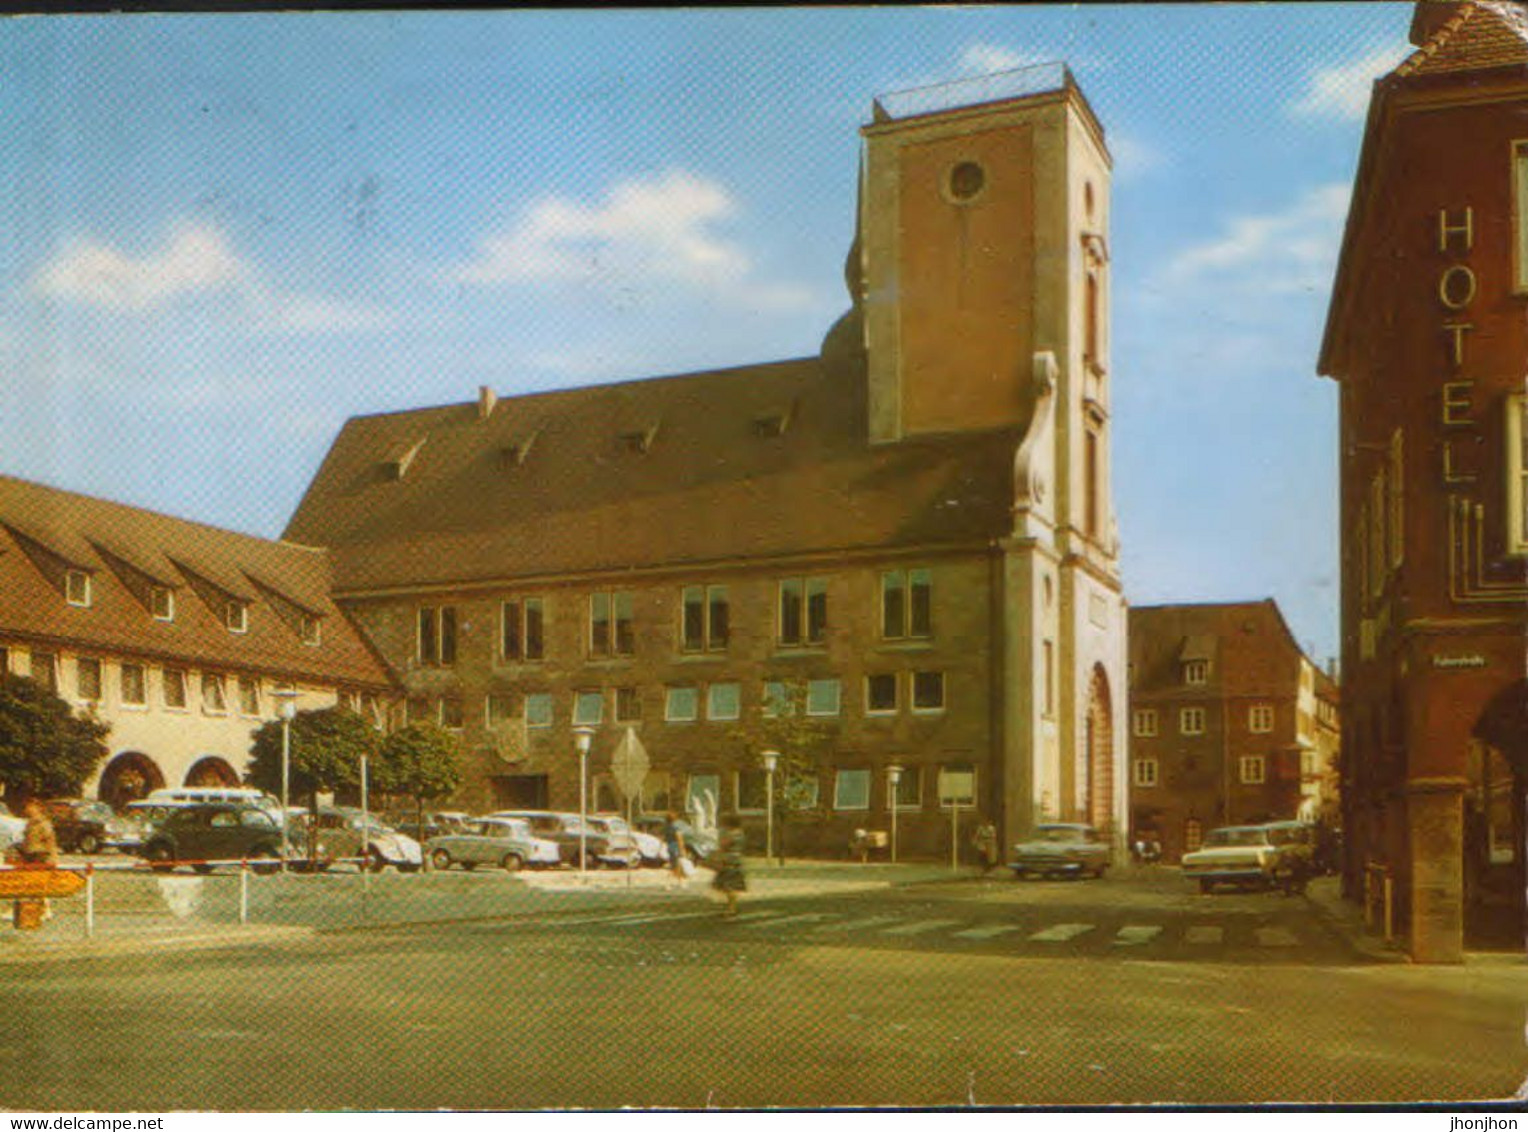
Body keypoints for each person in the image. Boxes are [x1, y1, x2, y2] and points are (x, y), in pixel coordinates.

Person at [17, 799, 60, 923]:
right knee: (31, 886)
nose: (27, 810)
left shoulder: (43, 823)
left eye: (30, 807)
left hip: (41, 856)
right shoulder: (29, 824)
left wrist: (52, 857)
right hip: (29, 855)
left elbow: (50, 841)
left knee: (40, 885)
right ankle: (33, 912)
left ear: (37, 808)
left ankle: (46, 910)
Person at [711, 812, 747, 919]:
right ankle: (731, 907)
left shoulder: (731, 833)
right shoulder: (740, 833)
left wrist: (716, 855)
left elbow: (724, 845)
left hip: (729, 861)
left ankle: (732, 909)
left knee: (729, 886)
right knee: (729, 886)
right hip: (735, 860)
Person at [662, 810, 688, 884]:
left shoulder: (667, 828)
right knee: (677, 865)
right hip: (675, 847)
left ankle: (679, 880)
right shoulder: (675, 827)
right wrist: (683, 849)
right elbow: (679, 838)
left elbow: (664, 838)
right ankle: (673, 881)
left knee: (674, 864)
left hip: (669, 846)